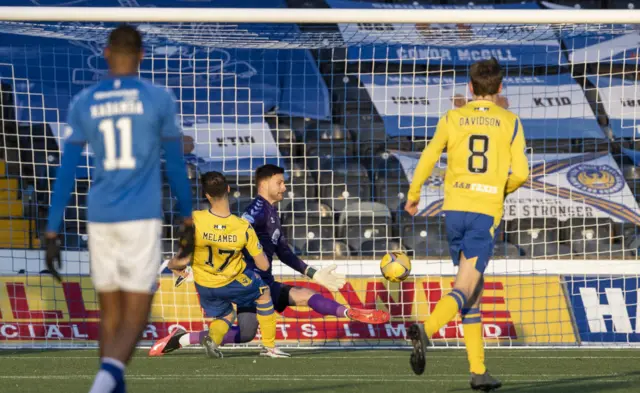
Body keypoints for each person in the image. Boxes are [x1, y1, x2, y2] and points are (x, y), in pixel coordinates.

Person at [44, 25, 194, 393]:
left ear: (107, 53)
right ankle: (103, 383)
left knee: (109, 310)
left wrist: (51, 229)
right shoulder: (158, 98)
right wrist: (187, 216)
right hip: (140, 214)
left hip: (99, 215)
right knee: (138, 309)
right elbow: (175, 164)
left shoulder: (85, 100)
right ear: (142, 55)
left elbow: (66, 169)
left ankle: (111, 384)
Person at [150, 164, 390, 357]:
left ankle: (183, 338)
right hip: (249, 282)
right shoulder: (253, 213)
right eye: (280, 182)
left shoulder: (273, 212)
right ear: (265, 184)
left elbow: (283, 252)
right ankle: (271, 344)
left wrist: (313, 273)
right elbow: (225, 236)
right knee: (293, 302)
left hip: (256, 280)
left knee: (252, 328)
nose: (284, 187)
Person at [404, 57, 529, 391]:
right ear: (500, 88)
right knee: (464, 287)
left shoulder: (453, 117)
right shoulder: (511, 122)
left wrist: (414, 194)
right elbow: (522, 174)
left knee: (473, 290)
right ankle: (425, 331)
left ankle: (478, 372)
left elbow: (430, 154)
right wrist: (497, 189)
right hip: (483, 212)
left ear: (470, 88)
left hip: (454, 210)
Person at [166, 171, 285, 358]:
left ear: (206, 195)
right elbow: (263, 266)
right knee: (264, 293)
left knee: (227, 316)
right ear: (228, 189)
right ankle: (270, 347)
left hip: (205, 285)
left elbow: (182, 257)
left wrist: (174, 267)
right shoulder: (242, 226)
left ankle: (212, 339)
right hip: (233, 281)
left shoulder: (195, 220)